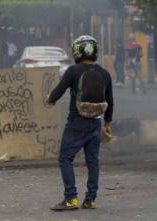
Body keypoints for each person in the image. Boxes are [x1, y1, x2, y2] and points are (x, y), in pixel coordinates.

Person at [46, 35, 114, 210]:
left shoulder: (73, 71)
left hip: (77, 122)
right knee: (93, 161)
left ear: (77, 51)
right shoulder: (104, 73)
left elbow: (58, 92)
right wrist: (107, 124)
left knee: (65, 159)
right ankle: (90, 200)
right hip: (95, 123)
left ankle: (70, 199)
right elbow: (110, 101)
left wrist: (50, 100)